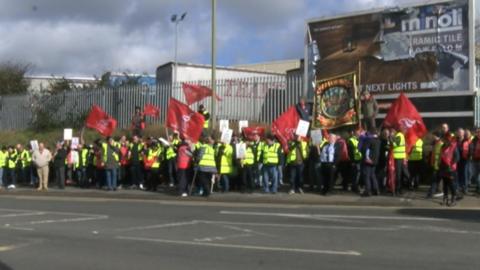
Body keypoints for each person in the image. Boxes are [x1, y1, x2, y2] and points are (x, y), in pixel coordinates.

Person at [439, 133, 459, 206]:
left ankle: (453, 198)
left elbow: (457, 157)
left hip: (451, 169)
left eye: (447, 139)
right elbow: (441, 157)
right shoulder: (442, 146)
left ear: (450, 140)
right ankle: (445, 197)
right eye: (444, 139)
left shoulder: (453, 147)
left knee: (452, 184)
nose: (445, 141)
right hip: (443, 168)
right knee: (445, 184)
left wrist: (451, 164)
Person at [361, 129, 381, 197]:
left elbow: (364, 149)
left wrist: (366, 158)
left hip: (368, 160)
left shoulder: (369, 140)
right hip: (375, 161)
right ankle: (376, 190)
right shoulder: (378, 140)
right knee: (372, 175)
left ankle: (368, 191)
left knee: (367, 176)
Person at [391, 127, 410, 194]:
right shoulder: (401, 136)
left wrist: (391, 138)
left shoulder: (399, 135)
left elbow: (395, 144)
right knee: (402, 173)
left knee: (398, 174)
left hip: (398, 157)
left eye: (393, 130)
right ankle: (402, 188)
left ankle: (398, 189)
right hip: (401, 157)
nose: (392, 132)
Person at [427, 131, 444, 198]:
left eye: (434, 136)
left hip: (438, 165)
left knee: (434, 180)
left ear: (437, 136)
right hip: (435, 164)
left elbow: (440, 155)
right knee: (436, 180)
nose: (433, 137)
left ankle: (431, 193)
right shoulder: (436, 143)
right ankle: (435, 192)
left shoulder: (440, 144)